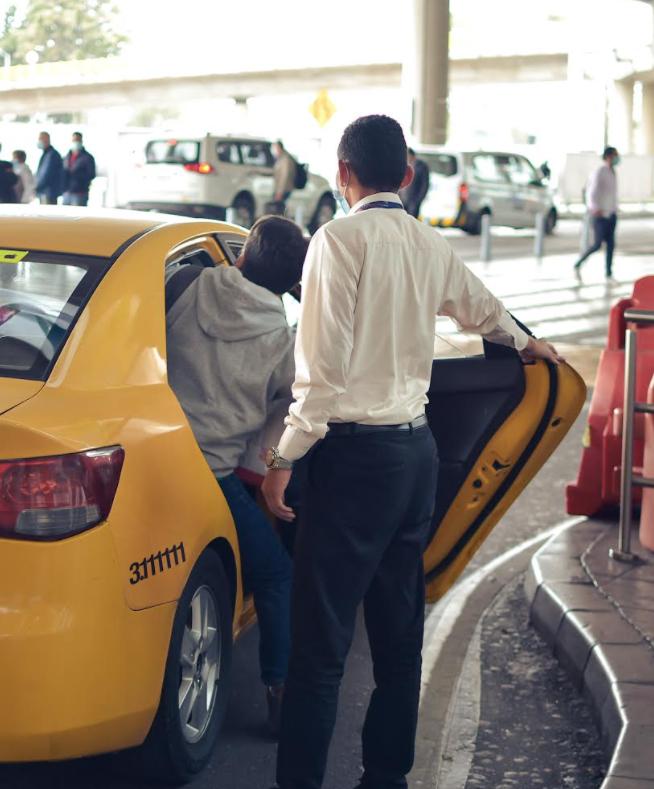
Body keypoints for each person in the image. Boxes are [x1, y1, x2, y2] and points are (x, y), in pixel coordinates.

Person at [260, 115, 563, 789]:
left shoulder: (336, 241)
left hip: (350, 463)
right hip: (415, 457)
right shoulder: (428, 242)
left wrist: (283, 459)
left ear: (342, 173)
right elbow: (481, 308)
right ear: (405, 175)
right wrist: (526, 343)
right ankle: (386, 777)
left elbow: (321, 375)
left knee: (319, 651)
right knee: (399, 640)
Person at [166, 215, 308, 737]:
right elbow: (295, 410)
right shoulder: (285, 344)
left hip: (152, 459)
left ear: (243, 254)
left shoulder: (184, 284)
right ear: (292, 285)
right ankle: (280, 693)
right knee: (275, 574)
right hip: (214, 476)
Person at [574, 146, 619, 279]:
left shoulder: (613, 171)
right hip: (600, 215)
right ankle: (579, 262)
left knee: (611, 244)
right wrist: (594, 208)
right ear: (608, 157)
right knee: (597, 244)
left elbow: (611, 194)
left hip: (611, 213)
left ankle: (609, 272)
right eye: (614, 155)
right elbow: (591, 192)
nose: (617, 158)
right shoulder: (600, 171)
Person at [62, 131, 96, 206]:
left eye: (78, 140)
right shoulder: (67, 157)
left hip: (80, 194)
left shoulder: (88, 157)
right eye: (74, 140)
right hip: (67, 193)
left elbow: (91, 174)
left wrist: (79, 176)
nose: (76, 142)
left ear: (81, 141)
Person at [399, 147, 430, 219]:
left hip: (414, 200)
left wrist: (419, 199)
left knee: (412, 219)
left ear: (411, 155)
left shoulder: (421, 166)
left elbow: (425, 184)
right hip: (403, 199)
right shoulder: (403, 165)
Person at [35, 131, 64, 205]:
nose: (39, 141)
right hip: (45, 192)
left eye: (41, 139)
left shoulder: (52, 155)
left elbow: (47, 174)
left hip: (48, 192)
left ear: (47, 139)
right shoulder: (46, 154)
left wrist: (37, 187)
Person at [272, 141, 298, 213]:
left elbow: (284, 176)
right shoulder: (280, 158)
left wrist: (279, 192)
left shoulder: (285, 159)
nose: (273, 150)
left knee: (280, 209)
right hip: (280, 189)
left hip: (284, 189)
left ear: (279, 148)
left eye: (275, 148)